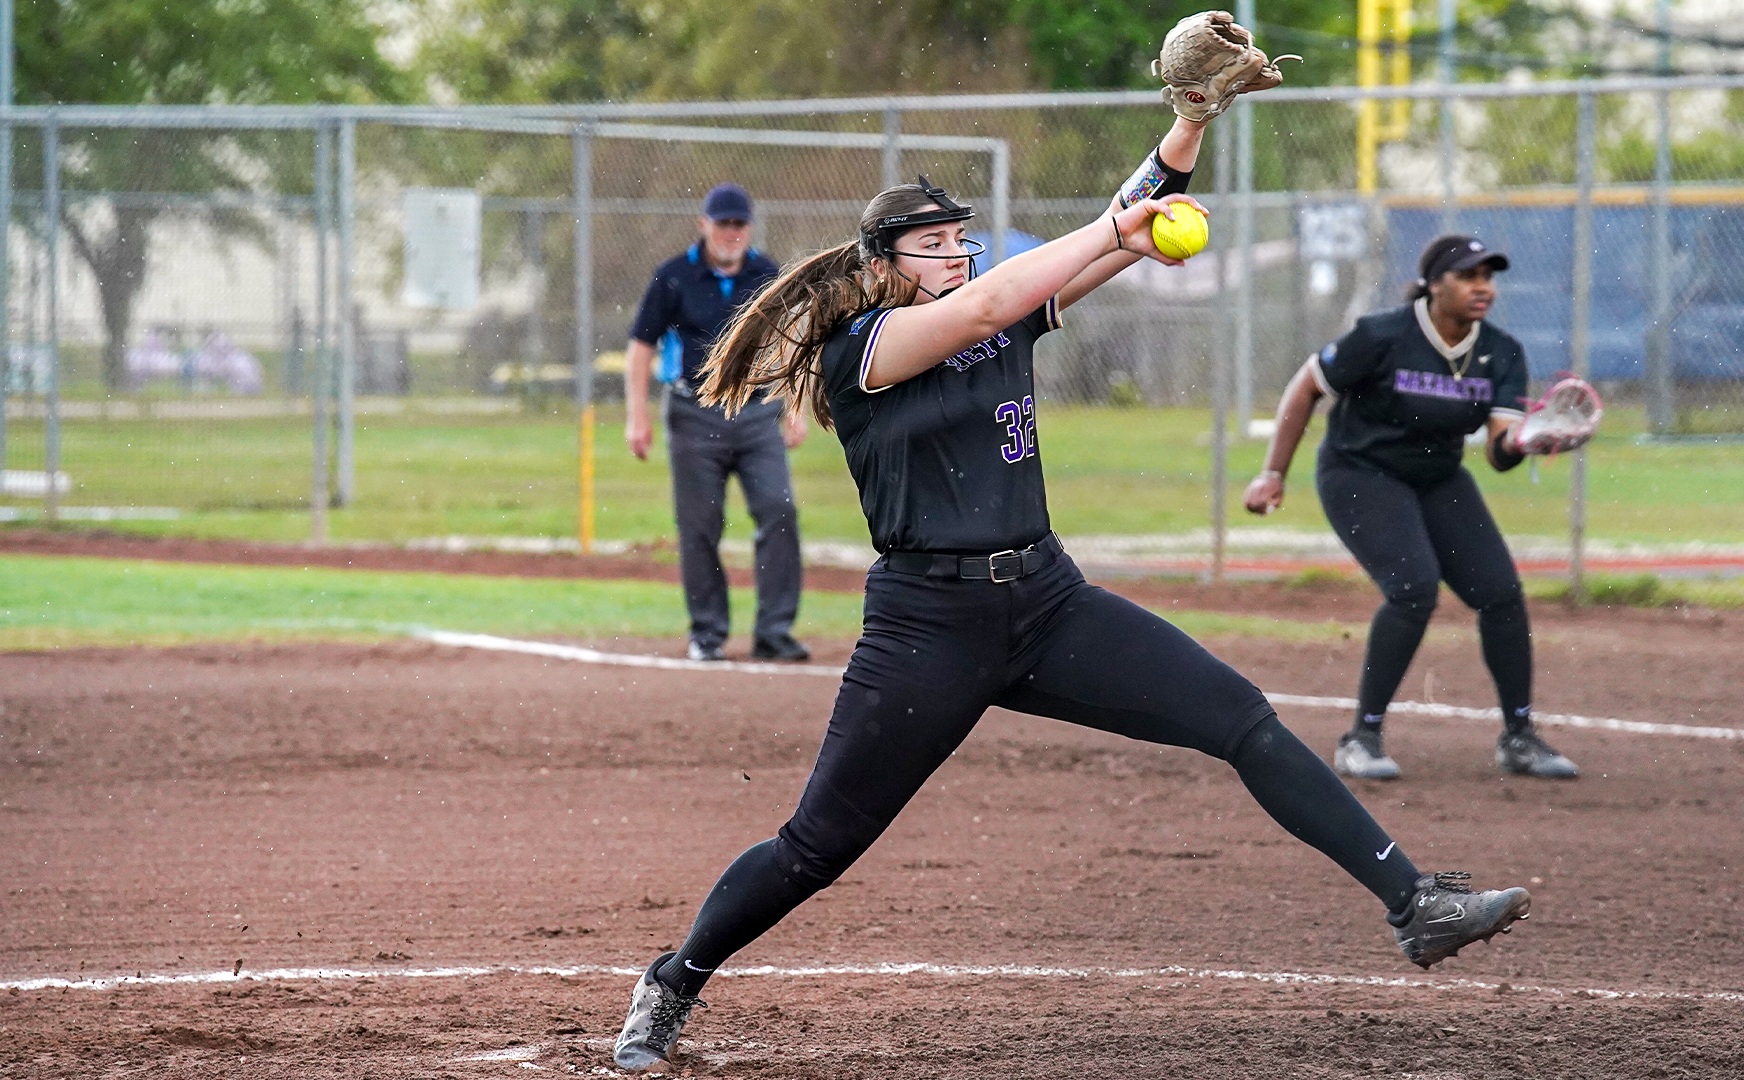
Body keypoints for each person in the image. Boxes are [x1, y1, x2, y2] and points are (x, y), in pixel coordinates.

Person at [611, 118, 1533, 1071]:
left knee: (1240, 717)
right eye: (934, 245)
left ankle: (1415, 903)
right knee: (816, 846)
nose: (957, 254)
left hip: (1049, 602)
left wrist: (1189, 123)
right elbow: (994, 303)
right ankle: (672, 981)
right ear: (882, 265)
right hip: (928, 626)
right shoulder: (869, 346)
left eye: (961, 239)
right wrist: (1111, 235)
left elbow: (1099, 232)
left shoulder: (993, 309)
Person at [1243, 235, 1581, 782]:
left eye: (1489, 278)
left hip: (1437, 477)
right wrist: (1272, 474)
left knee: (1500, 593)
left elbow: (1498, 452)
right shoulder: (1381, 335)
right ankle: (1362, 738)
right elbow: (1305, 388)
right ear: (1434, 284)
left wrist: (1523, 443)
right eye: (1469, 276)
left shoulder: (1501, 351)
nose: (1483, 288)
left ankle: (1519, 737)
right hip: (1359, 472)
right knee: (1414, 588)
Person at [625, 183, 811, 663]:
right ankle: (707, 632)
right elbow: (642, 346)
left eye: (739, 224)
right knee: (700, 525)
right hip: (694, 415)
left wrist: (795, 405)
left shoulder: (766, 273)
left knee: (778, 511)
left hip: (756, 412)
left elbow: (791, 341)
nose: (731, 233)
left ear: (749, 227)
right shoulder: (674, 276)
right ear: (704, 224)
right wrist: (636, 416)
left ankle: (773, 630)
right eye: (723, 223)